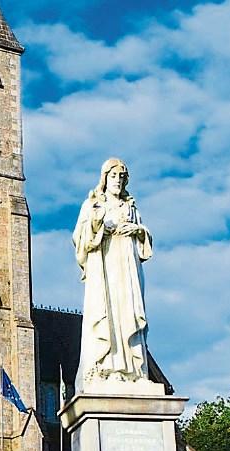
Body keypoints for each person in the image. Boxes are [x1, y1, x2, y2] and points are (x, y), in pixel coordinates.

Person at [73, 158, 153, 392]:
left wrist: (137, 230)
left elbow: (144, 240)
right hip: (106, 267)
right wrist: (98, 226)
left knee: (128, 313)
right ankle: (110, 367)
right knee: (108, 313)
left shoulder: (131, 207)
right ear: (105, 178)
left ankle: (134, 370)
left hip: (127, 268)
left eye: (122, 176)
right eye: (113, 176)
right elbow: (80, 238)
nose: (117, 180)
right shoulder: (93, 204)